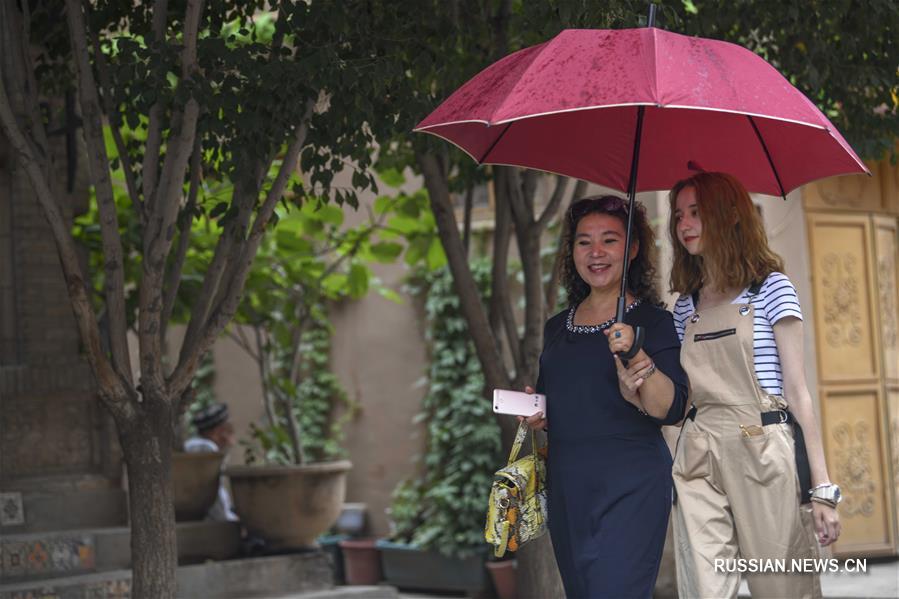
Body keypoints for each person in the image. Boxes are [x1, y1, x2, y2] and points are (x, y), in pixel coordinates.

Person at [667, 172, 840, 598]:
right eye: (678, 215)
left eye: (696, 212)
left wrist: (821, 487)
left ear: (729, 216)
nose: (684, 224)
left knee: (781, 585)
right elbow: (680, 396)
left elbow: (797, 392)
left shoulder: (771, 289)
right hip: (698, 453)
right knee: (704, 588)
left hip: (761, 445)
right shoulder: (684, 306)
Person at [521, 195, 689, 598]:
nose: (595, 252)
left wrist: (637, 352)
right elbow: (559, 400)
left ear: (632, 250)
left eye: (609, 240)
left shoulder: (654, 322)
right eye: (584, 242)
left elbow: (673, 409)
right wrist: (538, 414)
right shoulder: (557, 327)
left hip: (631, 483)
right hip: (568, 484)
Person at [184, 402, 239, 522]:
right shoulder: (205, 448)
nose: (232, 440)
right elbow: (216, 503)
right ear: (216, 432)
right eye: (229, 430)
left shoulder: (200, 446)